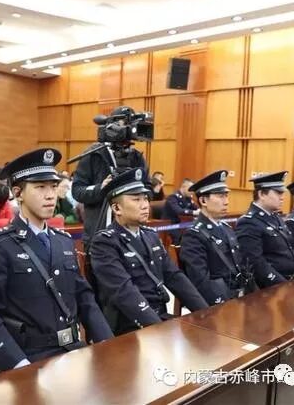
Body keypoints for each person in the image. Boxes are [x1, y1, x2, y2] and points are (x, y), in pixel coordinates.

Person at [0, 148, 113, 371]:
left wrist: (107, 343)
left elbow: (84, 298)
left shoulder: (63, 241)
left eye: (54, 187)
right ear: (18, 193)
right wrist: (20, 366)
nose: (50, 195)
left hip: (73, 351)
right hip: (30, 359)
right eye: (40, 187)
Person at [90, 168, 208, 335]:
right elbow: (125, 293)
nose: (145, 205)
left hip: (158, 318)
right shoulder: (105, 242)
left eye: (145, 198)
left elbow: (174, 277)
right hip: (129, 326)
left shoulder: (150, 235)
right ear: (117, 208)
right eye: (136, 199)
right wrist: (159, 329)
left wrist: (205, 312)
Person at [72, 106, 149, 250]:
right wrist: (101, 188)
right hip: (99, 235)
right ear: (110, 127)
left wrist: (133, 194)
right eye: (124, 124)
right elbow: (77, 191)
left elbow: (148, 189)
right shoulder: (94, 155)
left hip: (132, 237)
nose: (129, 128)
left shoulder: (137, 157)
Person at [179, 170, 254, 306]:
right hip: (220, 302)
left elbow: (241, 265)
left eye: (226, 196)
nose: (226, 202)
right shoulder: (194, 235)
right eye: (220, 196)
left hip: (241, 296)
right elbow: (201, 281)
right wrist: (228, 302)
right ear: (203, 200)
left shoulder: (226, 228)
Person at [235, 171, 294, 288]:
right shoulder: (248, 222)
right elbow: (255, 263)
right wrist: (282, 284)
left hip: (290, 281)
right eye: (278, 193)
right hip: (270, 288)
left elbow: (290, 251)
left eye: (282, 193)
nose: (282, 197)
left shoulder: (275, 217)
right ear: (261, 194)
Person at [162, 178, 198, 245]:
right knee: (181, 237)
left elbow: (196, 208)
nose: (192, 192)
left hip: (182, 224)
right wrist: (193, 212)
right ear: (183, 187)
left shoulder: (188, 198)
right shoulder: (172, 197)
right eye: (190, 189)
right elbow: (178, 211)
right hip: (170, 225)